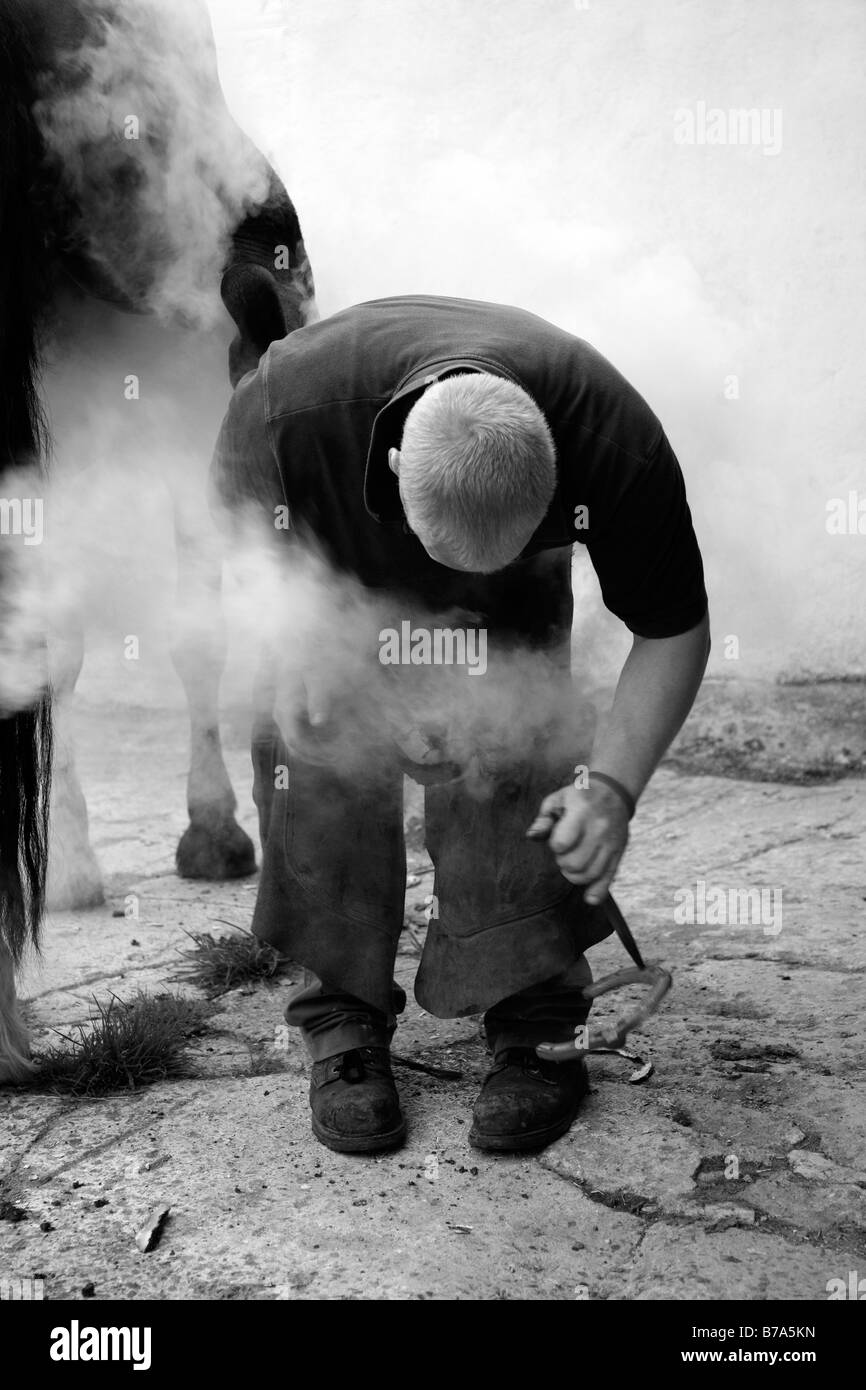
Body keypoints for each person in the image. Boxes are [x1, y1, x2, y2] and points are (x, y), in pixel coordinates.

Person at [211, 294, 710, 1155]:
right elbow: (237, 542)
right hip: (338, 565)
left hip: (508, 594)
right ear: (397, 461)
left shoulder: (612, 439)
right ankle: (342, 1017)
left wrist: (615, 792)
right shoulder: (283, 407)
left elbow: (674, 629)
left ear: (558, 474)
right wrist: (293, 645)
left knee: (519, 719)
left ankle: (537, 1013)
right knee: (313, 726)